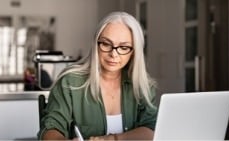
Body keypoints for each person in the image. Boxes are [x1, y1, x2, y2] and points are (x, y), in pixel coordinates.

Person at [38, 11, 157, 140]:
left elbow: (151, 130)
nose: (114, 54)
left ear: (134, 51)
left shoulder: (143, 86)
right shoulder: (69, 82)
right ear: (96, 44)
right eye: (106, 44)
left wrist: (111, 139)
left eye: (124, 47)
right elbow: (50, 130)